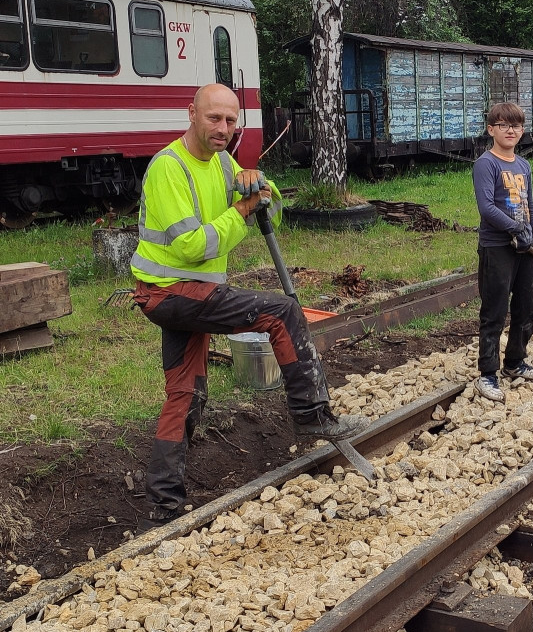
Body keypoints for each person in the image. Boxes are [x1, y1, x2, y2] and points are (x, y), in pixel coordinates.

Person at [131, 83, 366, 530]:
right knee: (282, 312)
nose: (223, 129)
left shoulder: (223, 162)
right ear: (192, 114)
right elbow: (193, 246)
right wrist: (242, 209)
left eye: (231, 121)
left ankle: (164, 504)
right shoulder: (169, 168)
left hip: (189, 294)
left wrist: (259, 182)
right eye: (214, 118)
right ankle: (312, 414)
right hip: (168, 292)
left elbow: (269, 210)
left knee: (186, 393)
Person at [472, 102, 533, 403]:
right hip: (497, 248)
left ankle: (514, 363)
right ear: (491, 129)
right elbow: (487, 208)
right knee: (494, 311)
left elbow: (529, 207)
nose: (511, 130)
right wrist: (513, 228)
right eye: (504, 125)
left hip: (525, 248)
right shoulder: (486, 164)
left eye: (517, 125)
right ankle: (487, 374)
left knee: (531, 305)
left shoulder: (523, 166)